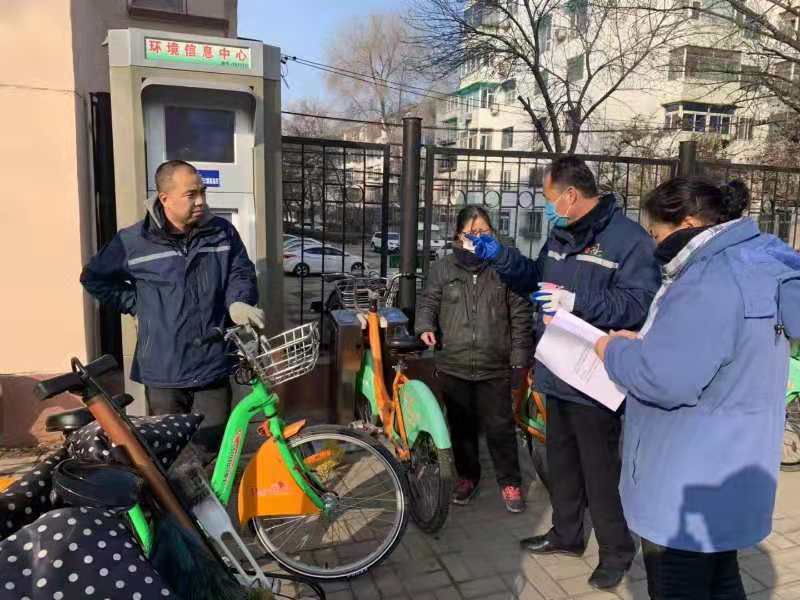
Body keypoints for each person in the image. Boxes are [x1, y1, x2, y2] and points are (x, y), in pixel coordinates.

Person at [594, 177, 800, 599]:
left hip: (684, 480)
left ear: (687, 224)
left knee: (680, 582)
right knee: (720, 578)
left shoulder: (710, 278)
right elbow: (717, 351)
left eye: (656, 234)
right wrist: (648, 344)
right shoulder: (760, 261)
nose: (654, 245)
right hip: (731, 467)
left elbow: (663, 380)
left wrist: (611, 350)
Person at [468, 157, 661, 589]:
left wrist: (577, 302)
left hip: (596, 377)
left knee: (599, 470)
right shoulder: (560, 235)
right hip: (557, 369)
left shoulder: (627, 240)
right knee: (562, 464)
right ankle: (567, 534)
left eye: (549, 197)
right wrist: (501, 256)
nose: (547, 205)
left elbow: (638, 304)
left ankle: (616, 551)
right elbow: (536, 281)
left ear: (570, 195)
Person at [81, 160, 264, 456]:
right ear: (165, 198)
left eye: (202, 192)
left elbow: (240, 271)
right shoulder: (132, 241)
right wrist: (136, 304)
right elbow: (93, 278)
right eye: (191, 194)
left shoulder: (222, 232)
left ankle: (207, 489)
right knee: (169, 454)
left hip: (212, 362)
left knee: (212, 451)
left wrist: (238, 301)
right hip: (163, 367)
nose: (201, 201)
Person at [415, 205, 533, 513]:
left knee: (500, 427)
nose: (478, 237)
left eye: (484, 232)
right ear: (458, 235)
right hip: (453, 363)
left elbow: (521, 315)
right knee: (461, 427)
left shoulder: (504, 267)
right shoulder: (443, 268)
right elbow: (428, 301)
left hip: (495, 364)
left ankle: (510, 481)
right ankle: (467, 476)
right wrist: (424, 326)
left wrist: (520, 358)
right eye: (472, 232)